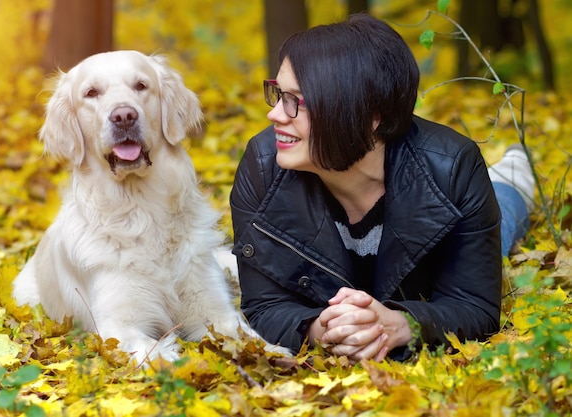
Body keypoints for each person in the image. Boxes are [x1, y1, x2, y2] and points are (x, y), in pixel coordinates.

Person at [229, 13, 534, 362]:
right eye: (279, 94)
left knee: (504, 218)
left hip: (458, 213)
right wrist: (321, 329)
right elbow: (264, 304)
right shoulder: (263, 165)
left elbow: (474, 305)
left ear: (370, 116)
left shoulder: (452, 169)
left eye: (298, 100)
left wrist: (402, 325)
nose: (276, 115)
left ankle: (514, 176)